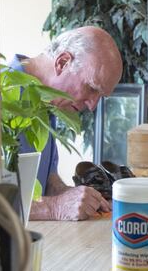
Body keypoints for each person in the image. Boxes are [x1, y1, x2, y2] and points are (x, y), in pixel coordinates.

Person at [9, 26, 123, 221]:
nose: (92, 105)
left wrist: (72, 196)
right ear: (62, 62)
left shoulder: (48, 100)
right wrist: (53, 207)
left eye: (100, 96)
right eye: (91, 88)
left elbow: (47, 179)